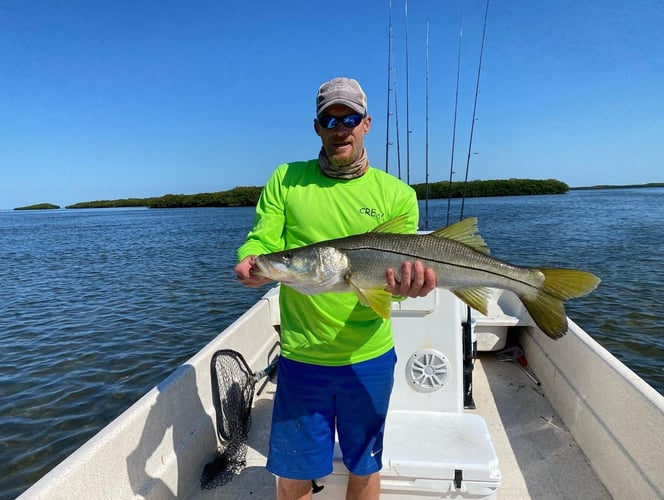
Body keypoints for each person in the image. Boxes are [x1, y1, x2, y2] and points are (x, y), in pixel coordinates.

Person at [234, 77, 436, 500]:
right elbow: (264, 242)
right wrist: (255, 262)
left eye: (350, 117)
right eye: (330, 118)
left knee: (364, 467)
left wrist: (408, 288)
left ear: (367, 124)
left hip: (370, 356)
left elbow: (394, 284)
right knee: (292, 476)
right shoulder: (287, 180)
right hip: (302, 356)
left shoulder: (397, 194)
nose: (339, 126)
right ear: (317, 126)